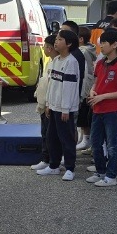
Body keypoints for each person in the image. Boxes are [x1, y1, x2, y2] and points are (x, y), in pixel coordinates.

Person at [86, 31, 117, 187]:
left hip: (112, 110)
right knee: (96, 143)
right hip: (97, 108)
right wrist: (93, 91)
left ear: (114, 45)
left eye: (104, 43)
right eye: (101, 42)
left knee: (112, 144)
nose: (102, 46)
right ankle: (101, 172)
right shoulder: (100, 63)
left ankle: (111, 176)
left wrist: (103, 97)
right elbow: (96, 83)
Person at [37, 29, 81, 180]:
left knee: (66, 138)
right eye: (56, 39)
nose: (56, 42)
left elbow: (69, 88)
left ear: (68, 44)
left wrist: (65, 109)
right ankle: (53, 166)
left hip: (65, 109)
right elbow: (52, 85)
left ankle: (70, 168)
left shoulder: (71, 62)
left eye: (60, 39)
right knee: (52, 137)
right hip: (54, 106)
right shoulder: (56, 61)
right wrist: (48, 104)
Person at [31, 33, 57, 173]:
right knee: (45, 132)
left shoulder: (58, 63)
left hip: (50, 104)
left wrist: (48, 104)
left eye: (45, 46)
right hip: (44, 103)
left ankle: (51, 161)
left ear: (50, 48)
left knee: (50, 134)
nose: (44, 49)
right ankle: (46, 159)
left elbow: (52, 86)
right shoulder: (50, 62)